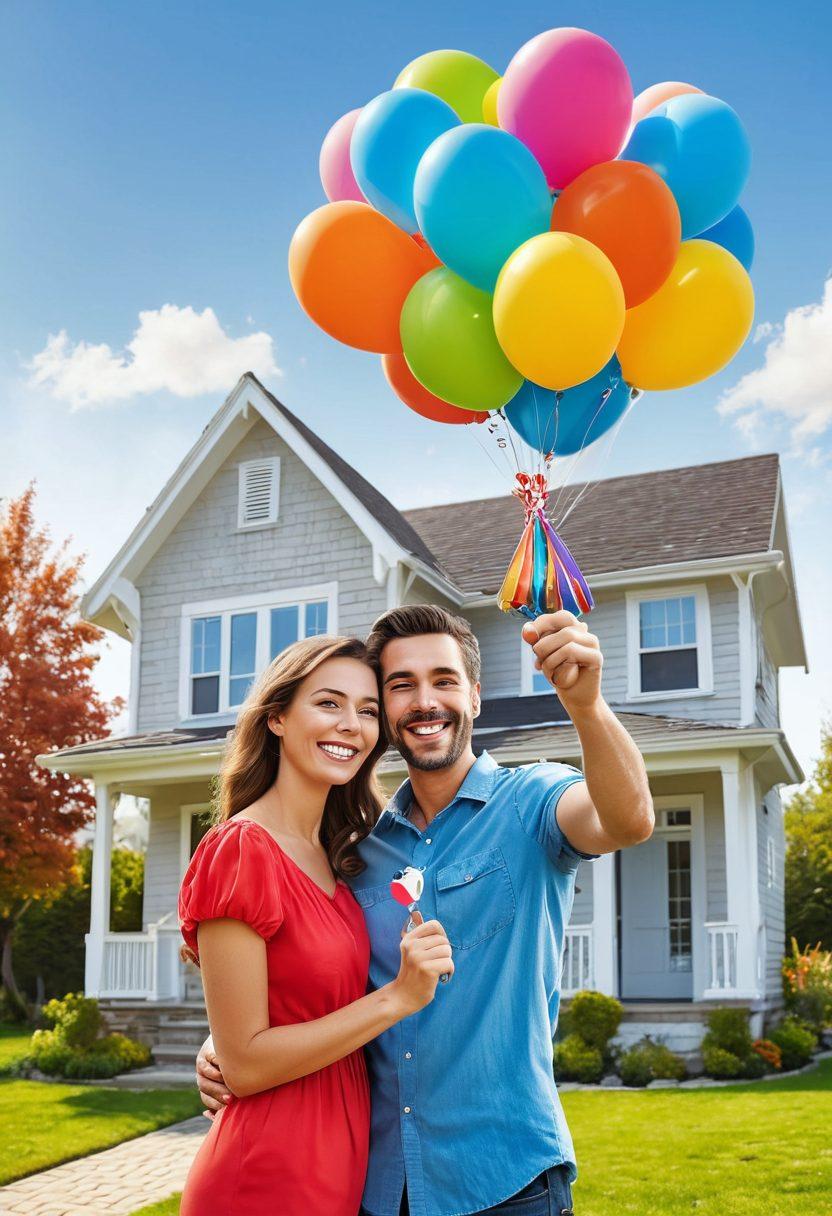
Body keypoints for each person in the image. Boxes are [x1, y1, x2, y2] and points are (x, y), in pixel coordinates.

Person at [197, 606, 654, 1216]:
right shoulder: (357, 850)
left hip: (505, 1182)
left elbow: (627, 821)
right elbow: (313, 964)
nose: (424, 700)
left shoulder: (533, 800)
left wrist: (587, 706)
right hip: (376, 1185)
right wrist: (228, 1036)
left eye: (443, 680)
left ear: (475, 697)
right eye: (401, 685)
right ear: (386, 713)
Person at [178, 634, 454, 1216]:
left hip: (343, 1164)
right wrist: (398, 998)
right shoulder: (242, 850)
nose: (351, 725)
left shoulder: (340, 856)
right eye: (328, 703)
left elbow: (290, 1001)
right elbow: (247, 1064)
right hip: (269, 1172)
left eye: (368, 710)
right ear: (277, 716)